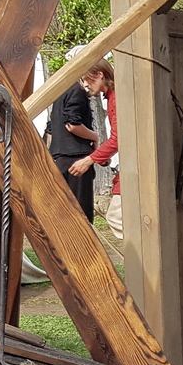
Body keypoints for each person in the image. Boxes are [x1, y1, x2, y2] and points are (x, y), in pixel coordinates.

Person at [64, 62, 123, 239]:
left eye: (86, 79)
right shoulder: (113, 97)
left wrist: (89, 160)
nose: (86, 85)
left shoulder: (116, 98)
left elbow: (118, 139)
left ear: (99, 75)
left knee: (115, 216)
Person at [48, 63, 106, 219]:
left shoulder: (60, 93)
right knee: (82, 214)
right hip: (77, 158)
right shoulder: (77, 91)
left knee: (63, 214)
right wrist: (94, 137)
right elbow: (73, 125)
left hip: (59, 159)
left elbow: (50, 130)